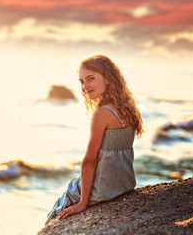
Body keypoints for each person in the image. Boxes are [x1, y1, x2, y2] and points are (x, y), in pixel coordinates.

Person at [46, 54, 144, 224]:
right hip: (123, 185)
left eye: (90, 79)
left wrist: (83, 203)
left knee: (54, 214)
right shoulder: (129, 109)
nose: (85, 86)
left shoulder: (102, 113)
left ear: (108, 78)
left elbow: (90, 161)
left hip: (101, 189)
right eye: (82, 81)